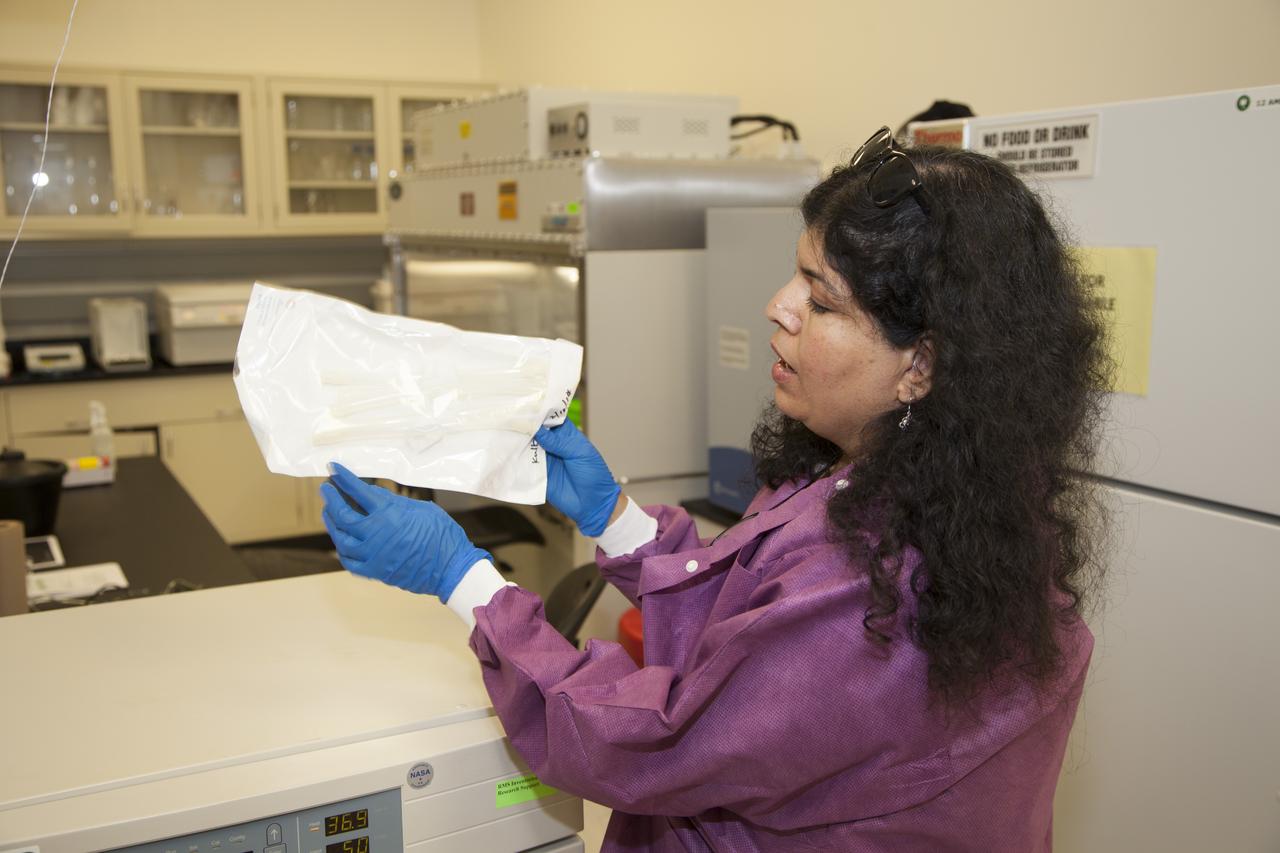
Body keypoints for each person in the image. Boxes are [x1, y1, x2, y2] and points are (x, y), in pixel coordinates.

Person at [321, 126, 1111, 852]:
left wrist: (463, 578)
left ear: (921, 365)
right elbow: (756, 632)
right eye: (795, 276)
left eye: (821, 299)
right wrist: (615, 518)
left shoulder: (880, 597)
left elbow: (650, 740)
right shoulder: (947, 503)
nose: (778, 306)